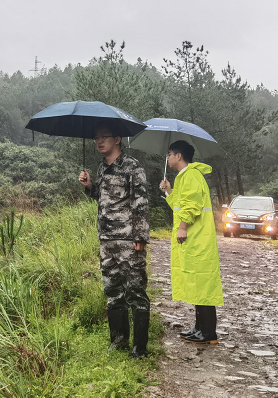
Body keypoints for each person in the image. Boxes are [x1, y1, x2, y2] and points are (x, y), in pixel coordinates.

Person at [79, 126, 151, 358]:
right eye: (96, 138)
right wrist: (90, 186)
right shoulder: (102, 168)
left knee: (135, 292)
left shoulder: (132, 166)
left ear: (117, 139)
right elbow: (102, 198)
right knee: (113, 292)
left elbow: (140, 202)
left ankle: (140, 348)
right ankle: (118, 341)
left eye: (104, 138)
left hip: (128, 239)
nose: (99, 142)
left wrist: (140, 236)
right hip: (106, 239)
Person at [159, 139, 223, 344]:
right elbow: (180, 205)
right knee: (197, 284)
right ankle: (199, 328)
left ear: (178, 156)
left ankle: (208, 333)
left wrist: (183, 227)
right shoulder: (183, 177)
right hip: (194, 239)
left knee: (203, 284)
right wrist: (169, 190)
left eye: (170, 154)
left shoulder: (192, 175)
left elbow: (192, 206)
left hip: (198, 238)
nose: (168, 158)